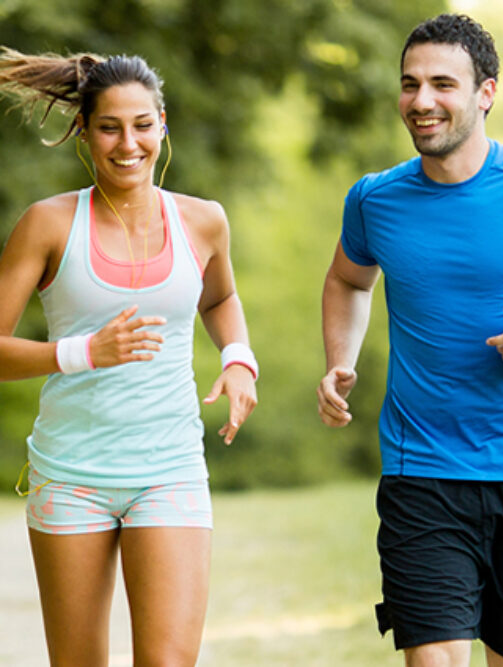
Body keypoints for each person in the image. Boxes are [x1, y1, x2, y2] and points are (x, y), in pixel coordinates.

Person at [317, 13, 503, 667]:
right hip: (421, 473)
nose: (421, 101)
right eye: (409, 84)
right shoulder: (374, 200)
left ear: (486, 92)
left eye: (442, 83)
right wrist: (339, 362)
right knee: (434, 657)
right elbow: (347, 280)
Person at [0, 48, 258, 666]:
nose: (127, 144)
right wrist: (82, 352)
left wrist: (240, 359)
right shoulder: (49, 224)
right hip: (71, 475)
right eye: (109, 127)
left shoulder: (203, 222)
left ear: (162, 123)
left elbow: (219, 298)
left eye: (142, 125)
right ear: (86, 133)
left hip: (168, 468)